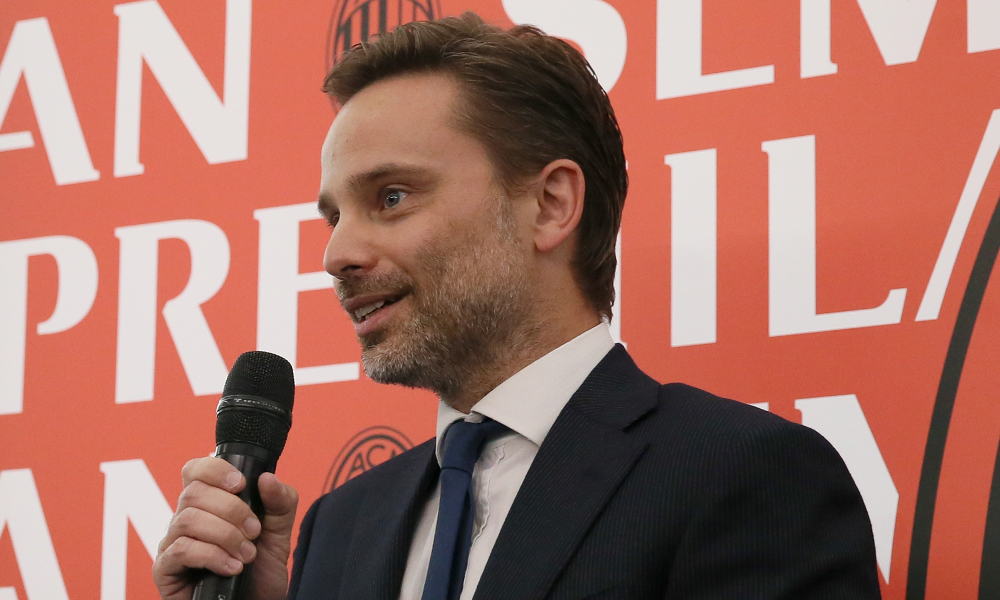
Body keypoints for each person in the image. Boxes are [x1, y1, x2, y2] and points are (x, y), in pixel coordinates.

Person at [153, 12, 881, 600]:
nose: (337, 254)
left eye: (392, 197)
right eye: (334, 216)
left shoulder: (741, 475)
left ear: (550, 203)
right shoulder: (339, 528)